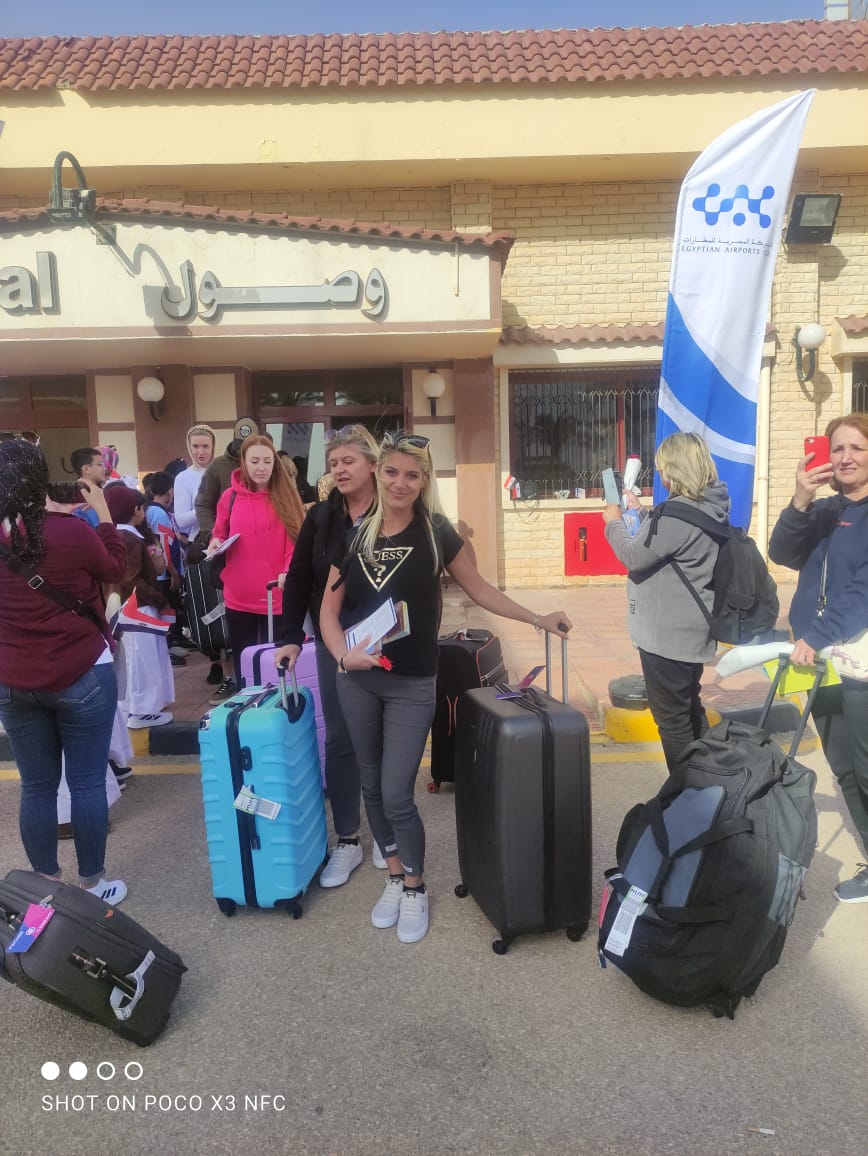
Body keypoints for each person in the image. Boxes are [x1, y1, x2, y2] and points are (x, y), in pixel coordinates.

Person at [318, 430, 571, 944]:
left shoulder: (436, 533)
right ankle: (394, 876)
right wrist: (343, 655)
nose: (400, 483)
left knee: (397, 792)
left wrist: (536, 617)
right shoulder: (354, 533)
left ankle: (414, 887)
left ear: (424, 480)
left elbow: (479, 589)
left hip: (412, 683)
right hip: (358, 680)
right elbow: (328, 610)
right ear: (378, 473)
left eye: (412, 475)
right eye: (392, 472)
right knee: (371, 785)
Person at [0, 439, 128, 904]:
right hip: (83, 673)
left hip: (14, 680)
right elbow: (115, 567)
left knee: (36, 787)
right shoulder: (70, 531)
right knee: (87, 782)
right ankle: (93, 885)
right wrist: (104, 515)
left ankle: (44, 889)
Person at [273, 425, 384, 888]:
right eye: (333, 462)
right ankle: (348, 838)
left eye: (348, 461)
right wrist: (290, 637)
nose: (339, 469)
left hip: (383, 640)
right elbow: (299, 577)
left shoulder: (394, 510)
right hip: (331, 640)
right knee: (340, 738)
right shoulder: (321, 517)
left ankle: (386, 834)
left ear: (372, 465)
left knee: (381, 738)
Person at [769, 413, 868, 903]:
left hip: (858, 661)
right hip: (819, 660)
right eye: (838, 449)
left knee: (867, 766)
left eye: (857, 448)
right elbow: (782, 553)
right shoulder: (826, 511)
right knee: (844, 766)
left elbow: (862, 590)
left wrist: (818, 635)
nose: (845, 458)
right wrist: (800, 500)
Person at [603, 432, 730, 771]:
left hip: (667, 639)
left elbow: (633, 555)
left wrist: (613, 523)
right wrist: (643, 514)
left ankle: (687, 790)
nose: (660, 474)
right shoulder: (710, 506)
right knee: (689, 709)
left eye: (662, 468)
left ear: (674, 469)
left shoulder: (675, 514)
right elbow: (672, 544)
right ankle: (709, 780)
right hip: (693, 632)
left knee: (672, 720)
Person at [207, 433, 305, 696]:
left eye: (267, 461)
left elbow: (295, 543)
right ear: (243, 462)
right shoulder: (229, 497)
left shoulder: (286, 496)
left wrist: (288, 570)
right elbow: (219, 532)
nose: (261, 467)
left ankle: (280, 707)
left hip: (277, 594)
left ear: (275, 463)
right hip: (239, 595)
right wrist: (216, 542)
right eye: (255, 461)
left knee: (279, 663)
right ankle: (248, 706)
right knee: (245, 663)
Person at [105, 485, 175, 729]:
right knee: (143, 661)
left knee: (131, 661)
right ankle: (143, 711)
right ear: (135, 510)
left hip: (122, 608)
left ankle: (134, 708)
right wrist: (159, 600)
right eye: (142, 508)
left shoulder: (112, 536)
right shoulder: (130, 540)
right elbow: (131, 579)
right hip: (139, 608)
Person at [194, 417, 260, 546]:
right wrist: (214, 535)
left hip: (259, 538)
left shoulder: (266, 467)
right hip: (226, 540)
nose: (243, 452)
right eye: (241, 447)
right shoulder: (217, 466)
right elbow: (203, 505)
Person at [69, 446, 108, 528]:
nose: (105, 468)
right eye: (100, 464)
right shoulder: (81, 497)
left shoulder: (97, 492)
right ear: (86, 469)